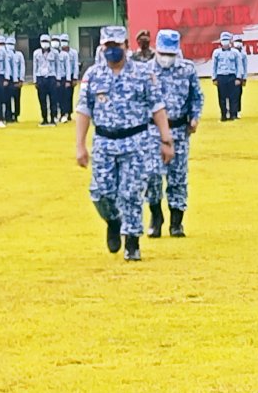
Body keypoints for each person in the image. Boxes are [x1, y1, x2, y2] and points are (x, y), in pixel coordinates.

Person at [76, 25, 174, 261]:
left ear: (126, 47)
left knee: (130, 193)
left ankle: (132, 242)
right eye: (108, 47)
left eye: (116, 46)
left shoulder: (142, 74)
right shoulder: (93, 75)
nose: (112, 51)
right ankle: (113, 221)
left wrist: (166, 139)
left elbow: (157, 107)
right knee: (100, 193)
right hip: (105, 142)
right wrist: (80, 144)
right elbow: (84, 110)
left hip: (135, 141)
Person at [145, 30, 204, 239]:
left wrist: (195, 118)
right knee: (152, 175)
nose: (166, 58)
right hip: (152, 132)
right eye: (163, 54)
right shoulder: (146, 71)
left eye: (170, 54)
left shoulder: (187, 70)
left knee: (178, 177)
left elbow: (197, 97)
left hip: (179, 130)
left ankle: (176, 222)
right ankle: (156, 215)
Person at [211, 32, 243, 121]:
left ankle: (233, 114)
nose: (225, 42)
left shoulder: (235, 52)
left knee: (234, 97)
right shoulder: (216, 52)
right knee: (222, 97)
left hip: (232, 76)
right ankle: (223, 115)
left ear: (230, 41)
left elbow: (239, 66)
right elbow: (214, 66)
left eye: (227, 40)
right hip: (221, 76)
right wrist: (214, 78)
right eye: (223, 40)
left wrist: (238, 77)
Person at [33, 33, 57, 126]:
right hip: (40, 77)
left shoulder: (54, 53)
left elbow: (57, 66)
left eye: (46, 41)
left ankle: (52, 119)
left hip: (51, 77)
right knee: (42, 99)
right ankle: (44, 119)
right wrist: (35, 80)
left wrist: (57, 79)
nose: (45, 43)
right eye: (43, 41)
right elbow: (35, 67)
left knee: (53, 99)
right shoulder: (36, 53)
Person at [6, 37, 25, 122]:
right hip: (8, 79)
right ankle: (8, 115)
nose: (10, 46)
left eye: (11, 44)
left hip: (16, 79)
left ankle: (16, 115)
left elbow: (22, 67)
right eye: (8, 44)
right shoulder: (5, 54)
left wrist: (21, 79)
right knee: (7, 98)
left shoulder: (19, 54)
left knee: (17, 98)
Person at [61, 34, 79, 121]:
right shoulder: (59, 53)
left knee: (69, 95)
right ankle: (62, 113)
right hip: (61, 76)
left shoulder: (73, 52)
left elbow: (75, 65)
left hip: (71, 76)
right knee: (61, 95)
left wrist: (75, 78)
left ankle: (69, 113)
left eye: (65, 41)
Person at [55, 34, 71, 123]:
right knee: (54, 98)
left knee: (63, 97)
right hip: (53, 78)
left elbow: (68, 68)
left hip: (63, 78)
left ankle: (64, 114)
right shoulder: (52, 54)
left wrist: (68, 80)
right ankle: (55, 114)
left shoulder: (64, 55)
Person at [232, 35, 247, 118]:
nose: (238, 43)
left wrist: (244, 78)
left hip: (240, 77)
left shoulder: (243, 54)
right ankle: (230, 110)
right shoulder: (231, 52)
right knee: (230, 94)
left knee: (238, 94)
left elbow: (245, 66)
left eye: (239, 41)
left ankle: (237, 111)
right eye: (236, 41)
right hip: (231, 76)